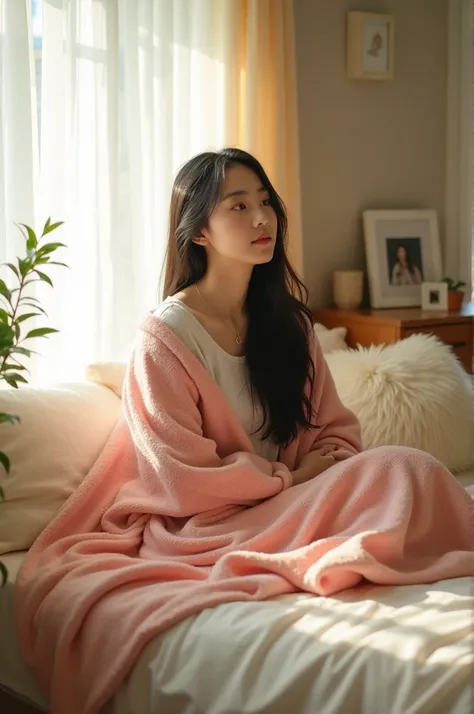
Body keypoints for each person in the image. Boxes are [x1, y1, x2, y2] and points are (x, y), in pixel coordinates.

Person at [15, 148, 474, 714]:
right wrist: (289, 478)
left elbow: (336, 436)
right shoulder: (166, 337)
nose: (262, 220)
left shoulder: (291, 327)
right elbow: (179, 477)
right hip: (202, 525)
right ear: (199, 231)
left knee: (407, 467)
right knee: (402, 469)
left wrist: (304, 476)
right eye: (239, 206)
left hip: (286, 503)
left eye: (266, 204)